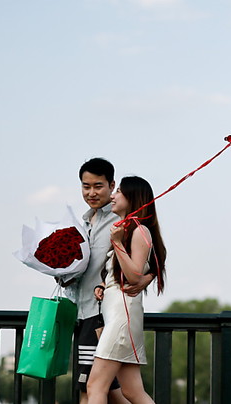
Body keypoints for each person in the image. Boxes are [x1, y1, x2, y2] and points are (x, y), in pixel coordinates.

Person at [66, 158, 154, 404]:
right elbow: (116, 268)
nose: (92, 193)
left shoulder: (123, 225)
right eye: (86, 186)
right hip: (94, 309)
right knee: (126, 391)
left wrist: (145, 278)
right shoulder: (86, 222)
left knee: (92, 387)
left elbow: (145, 261)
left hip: (107, 314)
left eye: (101, 187)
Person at [86, 176, 167, 404]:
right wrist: (104, 285)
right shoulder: (128, 230)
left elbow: (133, 275)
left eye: (118, 191)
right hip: (119, 314)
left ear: (132, 197)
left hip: (122, 316)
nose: (113, 196)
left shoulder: (139, 231)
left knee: (95, 386)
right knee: (132, 391)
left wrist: (118, 244)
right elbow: (125, 273)